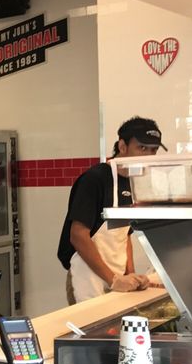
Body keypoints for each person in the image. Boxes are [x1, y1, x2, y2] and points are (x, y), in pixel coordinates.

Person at [57, 117, 166, 304]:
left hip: (117, 276)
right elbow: (78, 235)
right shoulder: (95, 179)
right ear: (122, 146)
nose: (148, 155)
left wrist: (130, 274)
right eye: (142, 148)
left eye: (153, 150)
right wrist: (113, 280)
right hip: (88, 276)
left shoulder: (135, 181)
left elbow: (125, 234)